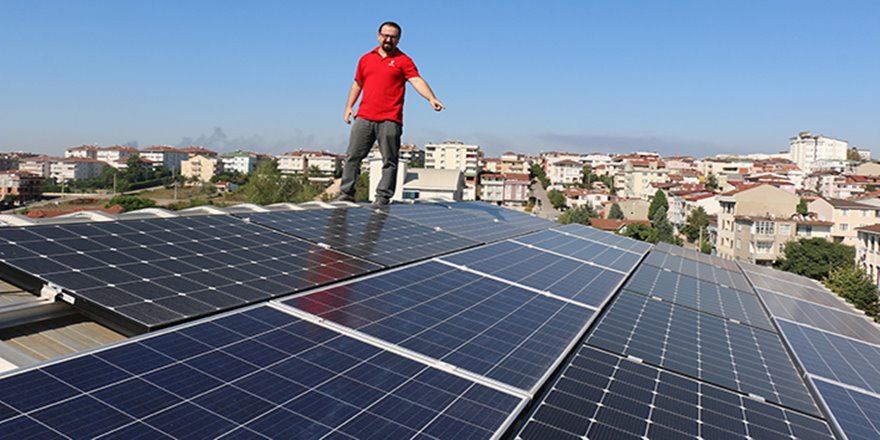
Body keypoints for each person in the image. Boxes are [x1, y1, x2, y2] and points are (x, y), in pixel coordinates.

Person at [336, 21, 444, 206]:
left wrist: (431, 98)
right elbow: (357, 84)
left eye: (392, 37)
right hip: (364, 117)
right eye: (385, 35)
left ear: (398, 39)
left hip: (390, 119)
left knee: (389, 161)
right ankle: (346, 193)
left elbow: (416, 80)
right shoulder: (365, 59)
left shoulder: (404, 60)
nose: (388, 39)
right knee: (353, 156)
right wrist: (348, 107)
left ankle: (383, 196)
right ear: (378, 36)